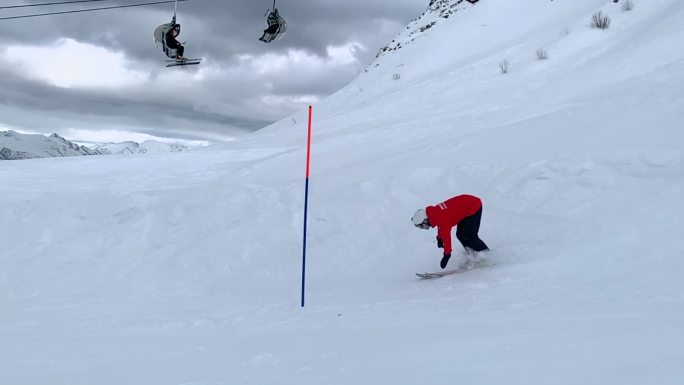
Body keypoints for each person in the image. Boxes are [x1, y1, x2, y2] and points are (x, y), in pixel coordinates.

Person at [412, 194, 489, 269]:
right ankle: (472, 254)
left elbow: (447, 237)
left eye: (422, 225)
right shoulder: (435, 213)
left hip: (473, 206)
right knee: (460, 235)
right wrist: (439, 238)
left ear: (425, 219)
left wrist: (447, 255)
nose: (425, 227)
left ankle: (486, 254)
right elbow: (441, 227)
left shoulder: (441, 217)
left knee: (469, 235)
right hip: (466, 207)